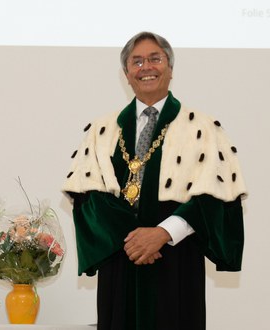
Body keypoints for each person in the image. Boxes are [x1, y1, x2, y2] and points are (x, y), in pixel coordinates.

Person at [63, 31, 247, 330]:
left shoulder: (202, 127)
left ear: (170, 69)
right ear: (126, 74)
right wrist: (136, 239)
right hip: (120, 256)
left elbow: (217, 196)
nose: (145, 67)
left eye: (154, 59)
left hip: (176, 257)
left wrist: (163, 233)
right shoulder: (102, 129)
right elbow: (87, 197)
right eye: (136, 61)